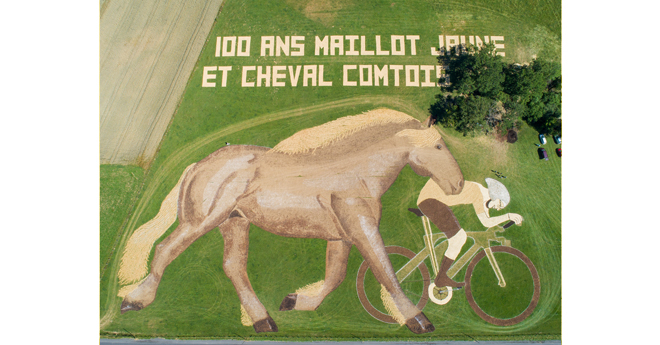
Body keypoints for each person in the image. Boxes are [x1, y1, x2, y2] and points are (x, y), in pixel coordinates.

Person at [416, 178, 523, 288]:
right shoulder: (478, 192)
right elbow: (486, 221)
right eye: (500, 204)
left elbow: (487, 221)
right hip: (429, 199)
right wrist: (508, 216)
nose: (498, 209)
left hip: (432, 198)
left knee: (459, 237)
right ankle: (441, 278)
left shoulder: (484, 197)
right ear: (495, 195)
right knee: (459, 238)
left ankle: (441, 277)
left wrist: (503, 221)